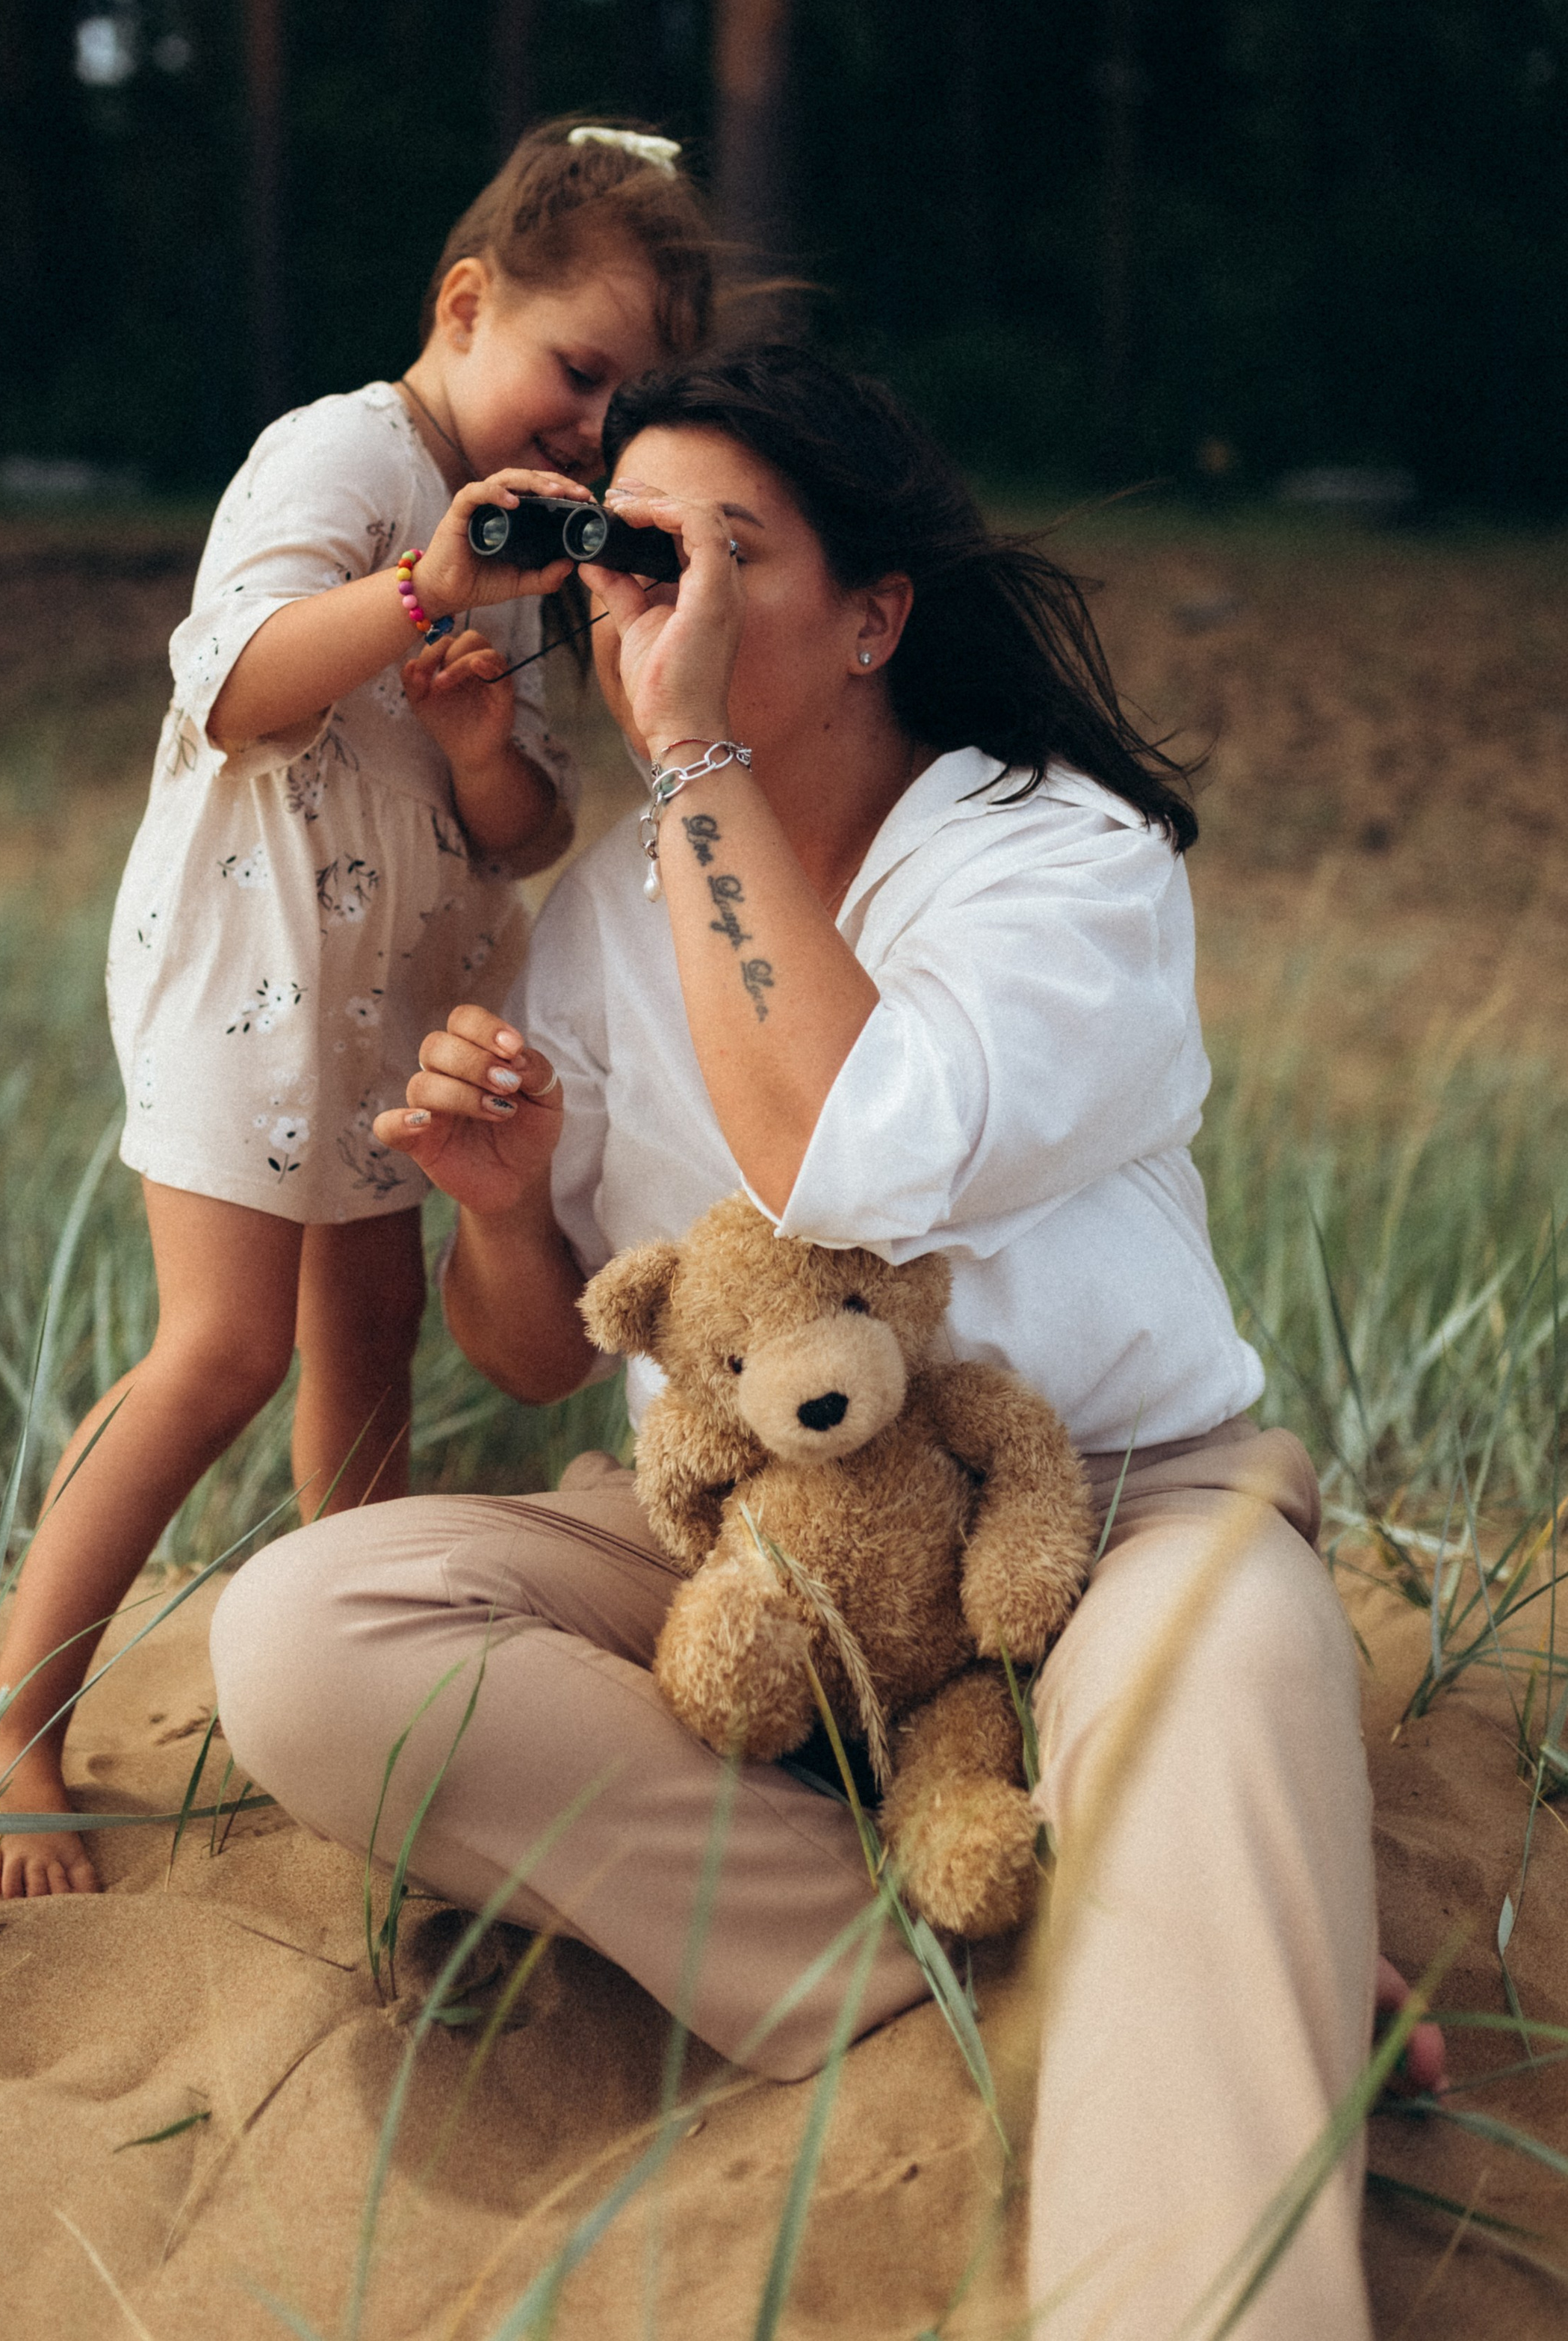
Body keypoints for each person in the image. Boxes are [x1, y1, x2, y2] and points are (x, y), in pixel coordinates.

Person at [209, 345, 1440, 2338]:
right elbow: (531, 1361)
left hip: (1113, 1518)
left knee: (1216, 1690)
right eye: (631, 560)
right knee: (305, 1635)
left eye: (720, 555)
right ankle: (995, 1958)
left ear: (875, 617)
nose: (655, 602)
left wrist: (690, 764)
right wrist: (508, 1205)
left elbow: (844, 1154)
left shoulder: (1059, 856)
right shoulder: (601, 918)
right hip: (755, 1566)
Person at [0, 118, 718, 1900]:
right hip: (246, 978)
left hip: (394, 1003)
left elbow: (528, 829)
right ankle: (14, 1722)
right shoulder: (344, 456)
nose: (591, 425)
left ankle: (354, 1693)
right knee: (218, 1352)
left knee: (364, 1356)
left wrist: (475, 745)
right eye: (576, 368)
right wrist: (418, 593)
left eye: (627, 402)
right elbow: (230, 687)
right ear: (465, 306)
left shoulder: (532, 554)